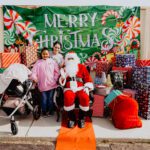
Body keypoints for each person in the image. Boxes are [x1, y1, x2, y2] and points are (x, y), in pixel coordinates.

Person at [59, 51, 94, 128]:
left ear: (76, 59)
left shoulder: (82, 67)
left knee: (85, 97)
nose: (71, 60)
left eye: (72, 58)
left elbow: (88, 78)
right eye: (69, 58)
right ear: (66, 60)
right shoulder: (64, 69)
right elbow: (61, 82)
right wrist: (62, 77)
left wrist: (87, 87)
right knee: (68, 97)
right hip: (69, 88)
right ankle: (72, 118)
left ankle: (81, 118)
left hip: (81, 88)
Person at [30, 47, 60, 117]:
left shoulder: (52, 62)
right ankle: (44, 112)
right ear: (41, 54)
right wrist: (35, 78)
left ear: (49, 54)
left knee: (50, 99)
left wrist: (55, 79)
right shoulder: (38, 62)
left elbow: (57, 72)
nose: (45, 55)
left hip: (52, 84)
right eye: (43, 54)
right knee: (44, 99)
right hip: (42, 85)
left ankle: (51, 111)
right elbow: (33, 72)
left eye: (46, 54)